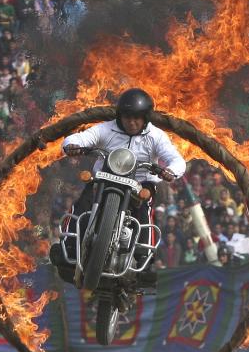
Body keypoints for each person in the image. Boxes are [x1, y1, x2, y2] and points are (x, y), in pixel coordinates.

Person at [54, 88, 186, 287]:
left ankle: (145, 260)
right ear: (120, 116)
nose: (131, 123)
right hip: (105, 177)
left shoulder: (156, 136)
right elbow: (80, 138)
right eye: (127, 118)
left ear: (145, 119)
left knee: (145, 208)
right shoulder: (106, 129)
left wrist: (171, 171)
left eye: (137, 119)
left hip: (141, 182)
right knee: (82, 203)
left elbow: (176, 160)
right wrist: (72, 144)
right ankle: (68, 244)